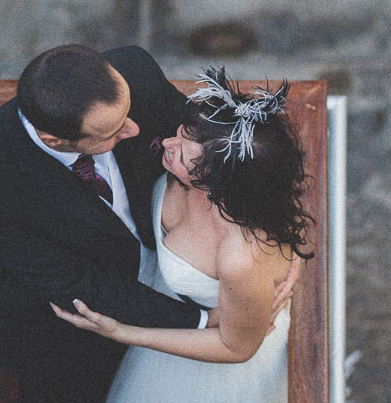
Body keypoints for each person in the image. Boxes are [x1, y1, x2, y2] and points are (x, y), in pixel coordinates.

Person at [0, 45, 297, 403]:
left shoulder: (133, 71)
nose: (137, 129)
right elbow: (80, 283)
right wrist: (202, 320)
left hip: (184, 298)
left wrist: (283, 246)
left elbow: (234, 157)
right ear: (58, 141)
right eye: (114, 130)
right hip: (78, 326)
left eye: (128, 112)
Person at [51, 66, 313, 403]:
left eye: (183, 153)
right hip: (168, 310)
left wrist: (124, 333)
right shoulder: (189, 161)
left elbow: (235, 347)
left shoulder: (240, 257)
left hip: (215, 363)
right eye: (180, 133)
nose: (167, 142)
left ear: (219, 183)